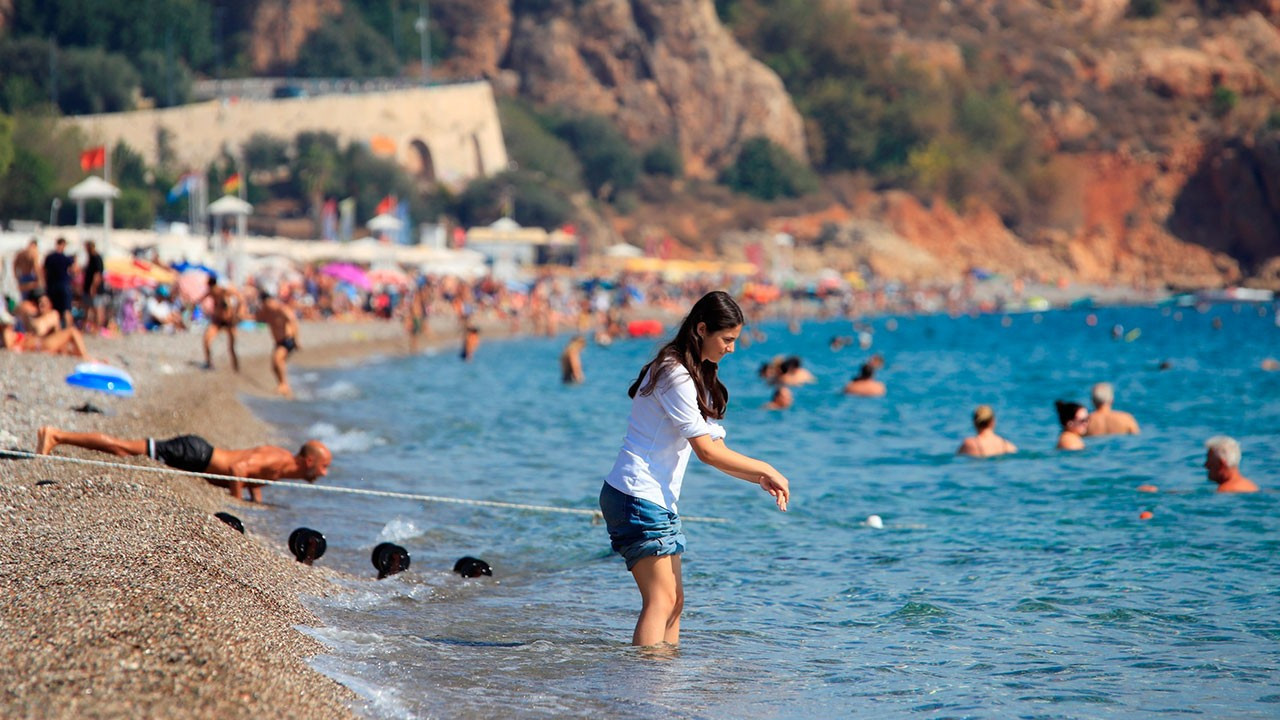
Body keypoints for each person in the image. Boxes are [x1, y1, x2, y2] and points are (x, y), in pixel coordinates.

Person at [600, 290, 790, 648]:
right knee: (661, 601)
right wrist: (767, 467)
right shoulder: (675, 374)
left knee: (675, 603)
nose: (732, 348)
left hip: (650, 499)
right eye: (727, 339)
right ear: (702, 329)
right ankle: (643, 690)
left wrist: (759, 477)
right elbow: (706, 452)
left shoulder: (689, 372)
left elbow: (714, 448)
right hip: (637, 496)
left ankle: (664, 685)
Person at [36, 426, 331, 503]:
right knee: (122, 447)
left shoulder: (283, 465)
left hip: (199, 455)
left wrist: (255, 498)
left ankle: (59, 437)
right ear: (308, 461)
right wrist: (237, 501)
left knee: (123, 448)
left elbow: (253, 475)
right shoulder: (280, 459)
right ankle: (58, 435)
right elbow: (239, 470)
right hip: (197, 455)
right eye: (324, 466)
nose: (325, 472)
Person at [256, 292, 300, 397]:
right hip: (278, 342)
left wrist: (296, 340)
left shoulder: (280, 309)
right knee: (274, 366)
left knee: (278, 360)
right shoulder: (266, 312)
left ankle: (285, 385)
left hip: (287, 340)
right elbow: (256, 318)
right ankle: (283, 386)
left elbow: (293, 321)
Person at [198, 276, 243, 371]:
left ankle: (236, 366)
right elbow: (200, 299)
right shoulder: (211, 292)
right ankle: (209, 362)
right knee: (207, 339)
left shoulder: (223, 291)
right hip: (217, 321)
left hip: (229, 321)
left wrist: (237, 312)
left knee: (231, 346)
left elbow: (239, 297)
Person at [42, 237, 74, 328]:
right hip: (63, 285)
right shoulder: (67, 258)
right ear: (63, 245)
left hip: (52, 286)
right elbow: (74, 270)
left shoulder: (49, 257)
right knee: (66, 310)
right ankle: (68, 331)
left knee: (53, 310)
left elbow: (44, 271)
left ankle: (56, 330)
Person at [80, 240, 108, 333]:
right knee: (88, 308)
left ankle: (98, 329)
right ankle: (86, 328)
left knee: (97, 309)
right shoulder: (91, 258)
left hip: (95, 289)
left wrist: (93, 288)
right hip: (89, 288)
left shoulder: (96, 258)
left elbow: (97, 275)